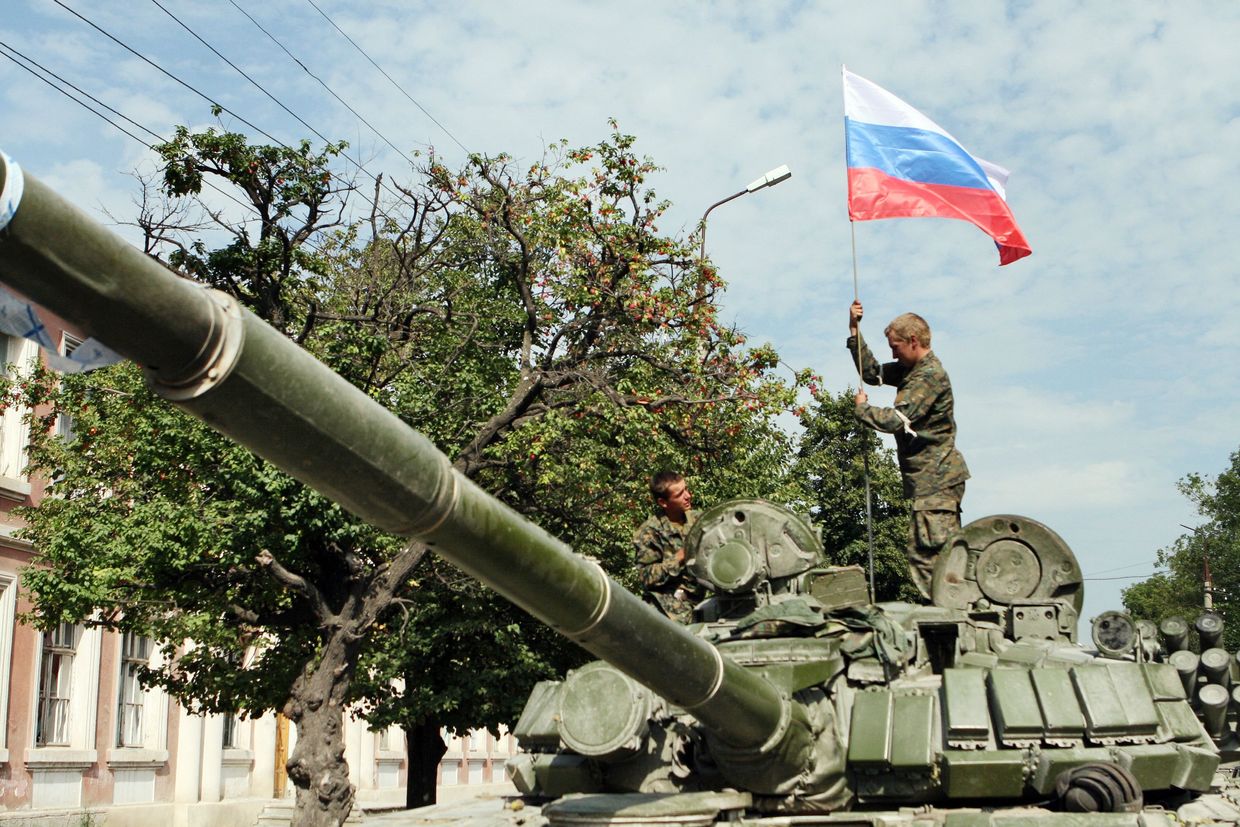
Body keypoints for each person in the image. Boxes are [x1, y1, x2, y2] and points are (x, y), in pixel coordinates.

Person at [847, 300, 969, 600]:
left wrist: (863, 410)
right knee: (927, 553)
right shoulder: (910, 370)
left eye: (896, 347)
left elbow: (895, 420)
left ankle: (951, 616)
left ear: (914, 342)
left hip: (937, 479)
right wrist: (854, 330)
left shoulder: (929, 377)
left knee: (932, 556)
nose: (893, 353)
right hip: (927, 481)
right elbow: (872, 373)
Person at [633, 470, 701, 623]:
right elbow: (645, 576)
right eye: (679, 494)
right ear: (663, 502)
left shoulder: (698, 521)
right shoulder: (650, 532)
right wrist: (679, 558)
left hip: (697, 607)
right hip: (664, 615)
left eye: (686, 489)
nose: (688, 496)